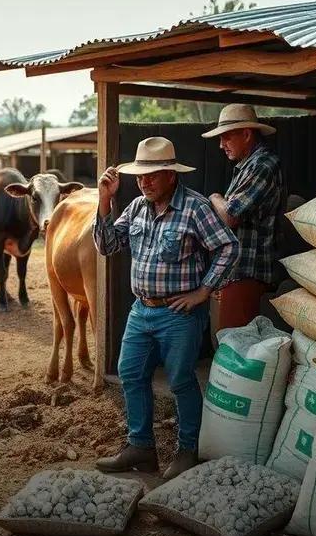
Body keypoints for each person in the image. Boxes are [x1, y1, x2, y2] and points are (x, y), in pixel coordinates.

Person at [93, 137, 239, 479]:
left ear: (171, 175)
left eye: (152, 175)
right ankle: (141, 447)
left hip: (179, 314)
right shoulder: (136, 207)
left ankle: (189, 450)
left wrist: (204, 291)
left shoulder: (195, 207)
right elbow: (107, 245)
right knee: (130, 373)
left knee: (180, 381)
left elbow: (228, 248)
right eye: (140, 175)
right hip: (141, 309)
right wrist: (104, 200)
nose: (144, 181)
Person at [201, 104, 282, 336]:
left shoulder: (263, 165)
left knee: (234, 348)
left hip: (247, 270)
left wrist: (215, 198)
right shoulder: (247, 167)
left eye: (226, 137)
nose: (221, 145)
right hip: (235, 272)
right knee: (228, 343)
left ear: (246, 134)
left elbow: (230, 216)